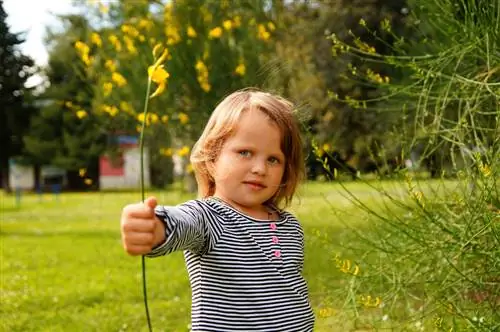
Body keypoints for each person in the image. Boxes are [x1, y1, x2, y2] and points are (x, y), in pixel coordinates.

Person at [120, 89, 315, 331]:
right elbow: (182, 222)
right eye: (245, 152)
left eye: (273, 159)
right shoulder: (211, 217)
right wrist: (155, 227)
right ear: (212, 158)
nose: (260, 168)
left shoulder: (289, 225)